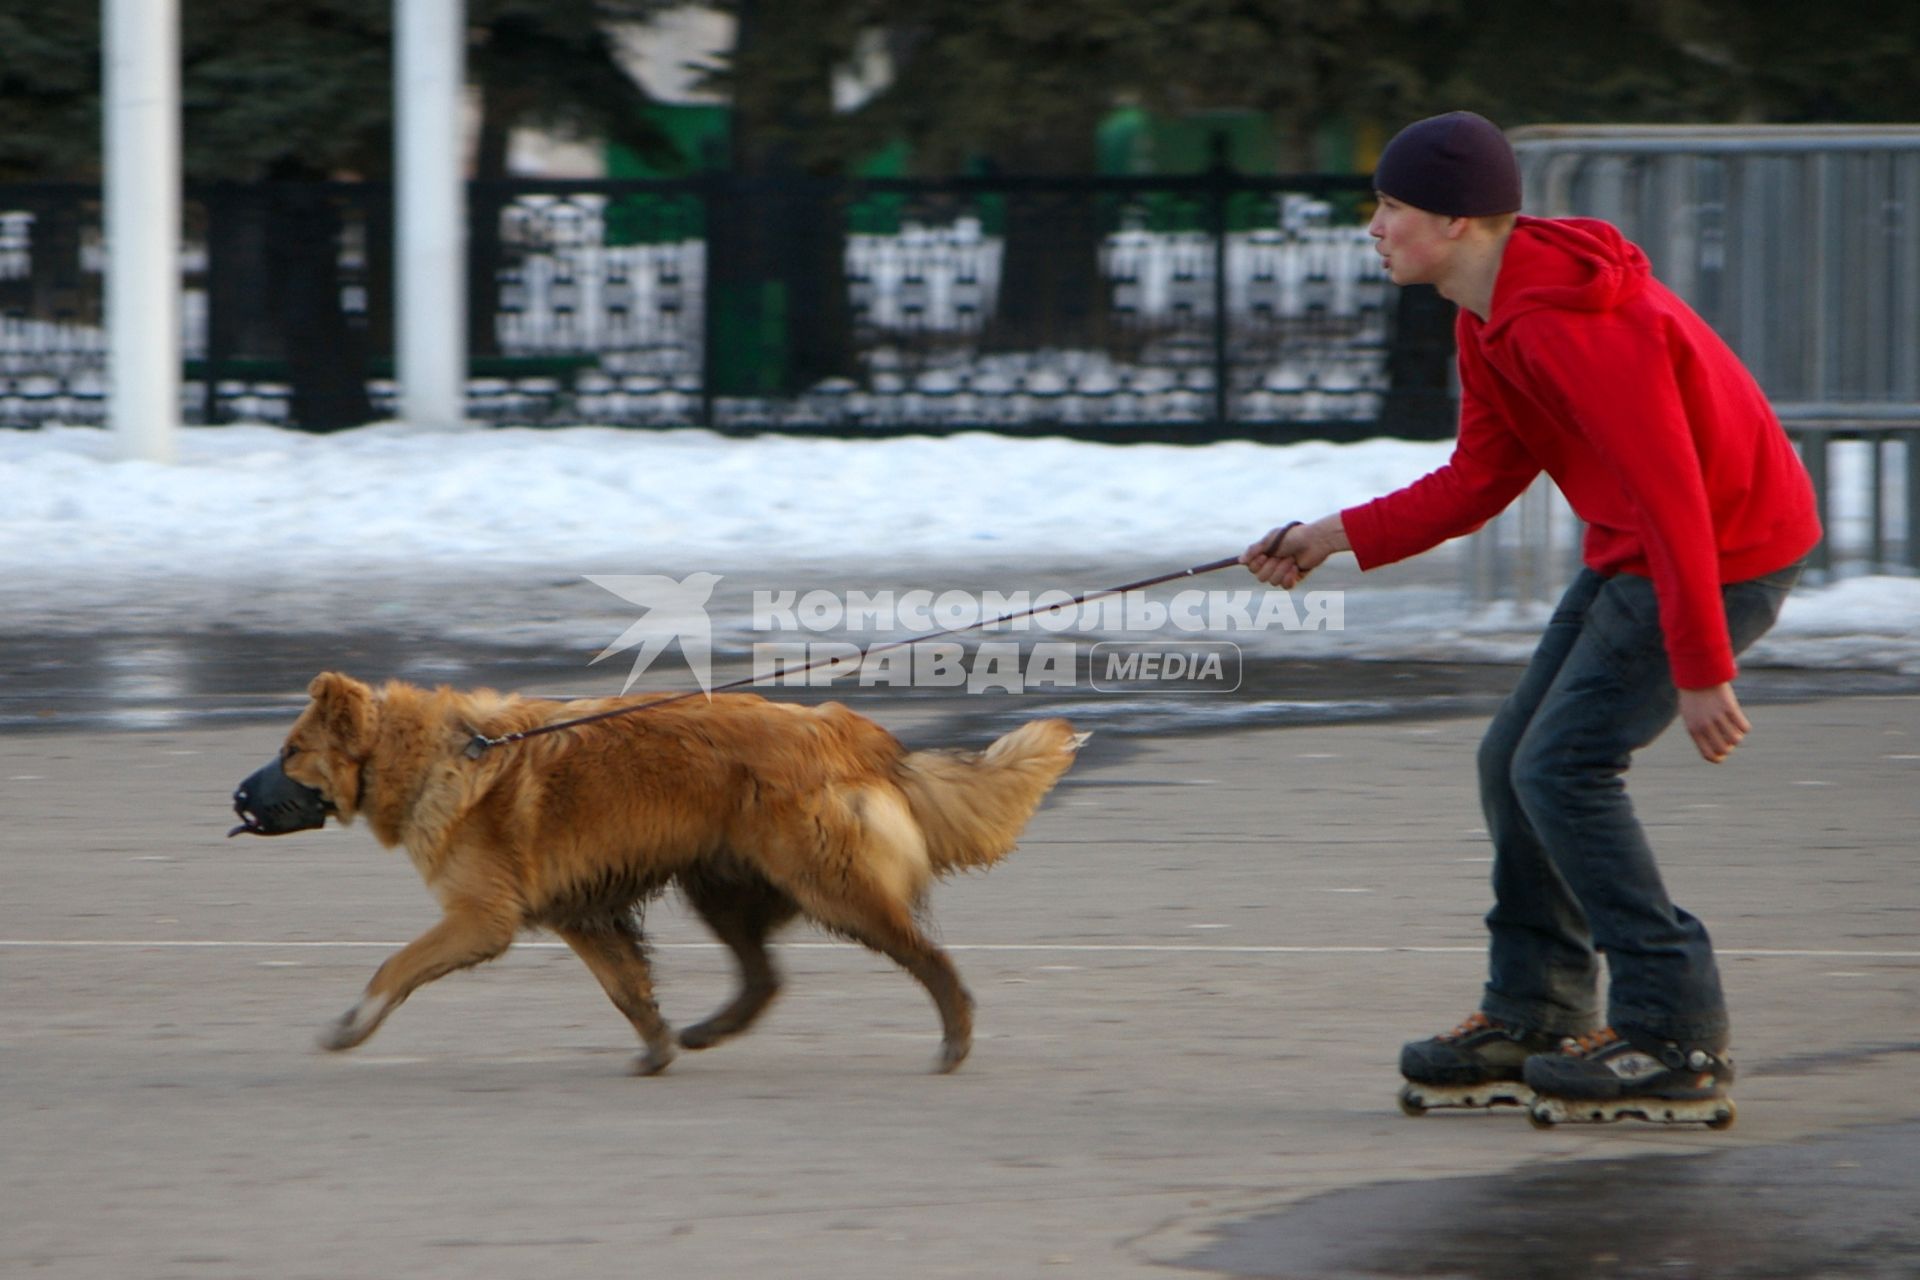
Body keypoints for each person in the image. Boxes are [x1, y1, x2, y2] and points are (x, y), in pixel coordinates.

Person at [1243, 110, 1821, 1124]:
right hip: (1641, 552)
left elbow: (1673, 491)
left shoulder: (1572, 321)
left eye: (1392, 207)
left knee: (1562, 765)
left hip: (1719, 558)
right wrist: (1326, 535)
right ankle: (1539, 1010)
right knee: (1512, 756)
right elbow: (1479, 478)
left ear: (1460, 221)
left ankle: (1672, 1028)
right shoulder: (1489, 316)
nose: (1373, 225)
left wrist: (1699, 664)